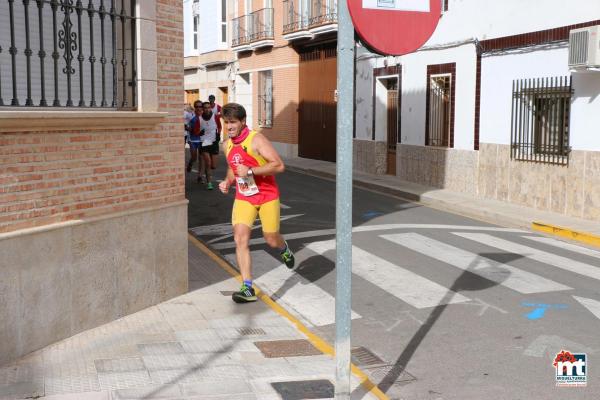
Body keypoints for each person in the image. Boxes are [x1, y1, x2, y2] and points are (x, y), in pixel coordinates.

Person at [218, 103, 295, 303]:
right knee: (240, 239)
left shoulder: (256, 140)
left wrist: (251, 171)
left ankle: (283, 248)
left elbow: (278, 165)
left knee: (271, 239)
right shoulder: (226, 145)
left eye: (233, 122)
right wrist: (228, 181)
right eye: (226, 123)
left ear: (243, 122)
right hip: (244, 197)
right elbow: (233, 168)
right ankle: (248, 288)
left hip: (267, 196)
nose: (229, 127)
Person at [198, 101, 218, 190]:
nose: (207, 109)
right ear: (203, 109)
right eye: (205, 107)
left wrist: (218, 134)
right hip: (204, 142)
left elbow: (220, 126)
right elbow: (195, 131)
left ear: (210, 108)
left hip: (213, 142)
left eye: (208, 107)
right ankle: (209, 182)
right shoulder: (199, 118)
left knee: (213, 165)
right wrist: (199, 133)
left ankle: (206, 175)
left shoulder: (215, 116)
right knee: (208, 163)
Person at [186, 100, 205, 182]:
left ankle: (199, 176)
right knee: (194, 157)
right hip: (192, 139)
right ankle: (190, 163)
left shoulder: (205, 116)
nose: (198, 108)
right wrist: (188, 128)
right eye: (196, 106)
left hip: (202, 140)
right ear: (194, 107)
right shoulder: (190, 116)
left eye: (200, 106)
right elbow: (188, 127)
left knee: (201, 158)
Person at [208, 94, 222, 169]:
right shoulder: (207, 107)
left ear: (214, 99)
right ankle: (210, 160)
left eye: (212, 99)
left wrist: (217, 116)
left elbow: (222, 113)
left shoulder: (217, 106)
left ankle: (213, 162)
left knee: (215, 145)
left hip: (216, 127)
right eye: (210, 99)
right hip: (208, 128)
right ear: (209, 99)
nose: (211, 100)